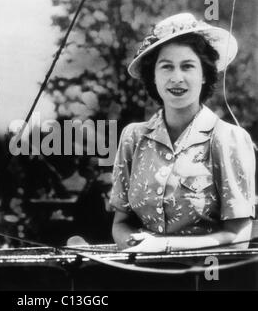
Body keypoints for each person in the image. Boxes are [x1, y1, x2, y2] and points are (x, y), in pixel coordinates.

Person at [109, 13, 256, 253]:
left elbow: (239, 235)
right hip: (141, 277)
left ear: (205, 74)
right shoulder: (133, 138)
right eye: (166, 67)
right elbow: (121, 224)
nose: (177, 78)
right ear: (153, 77)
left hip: (208, 278)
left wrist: (164, 245)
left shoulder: (227, 138)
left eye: (188, 66)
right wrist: (135, 247)